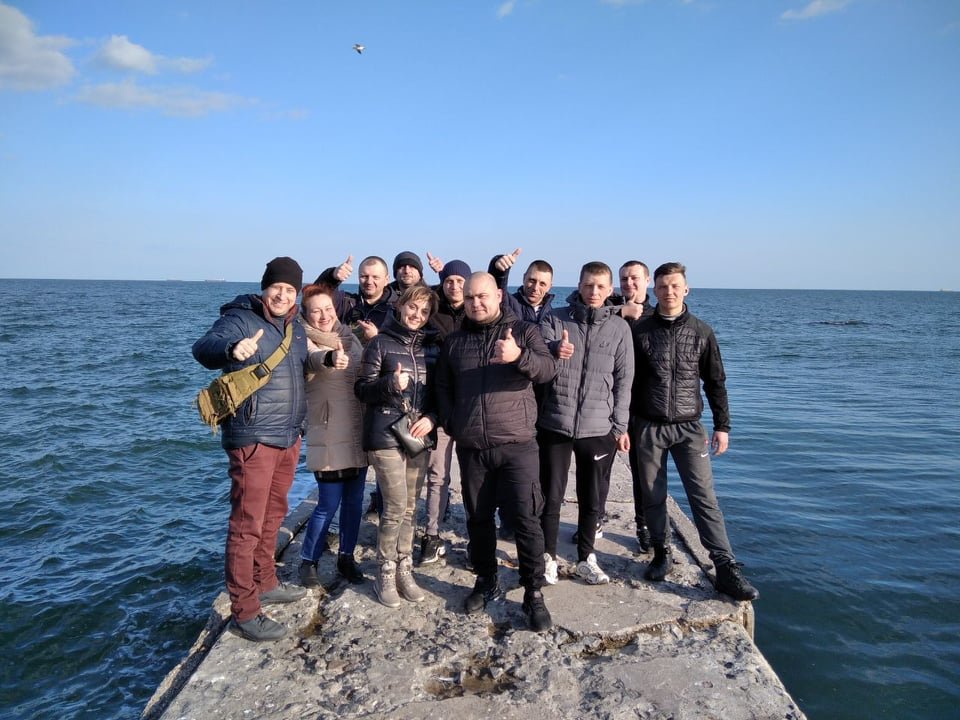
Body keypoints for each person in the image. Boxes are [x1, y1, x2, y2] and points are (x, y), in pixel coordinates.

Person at [192, 257, 327, 642]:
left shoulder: (294, 327)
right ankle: (245, 611)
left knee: (273, 514)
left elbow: (300, 365)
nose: (282, 295)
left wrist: (328, 358)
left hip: (287, 436)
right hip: (252, 437)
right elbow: (203, 348)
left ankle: (265, 581)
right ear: (265, 287)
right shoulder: (240, 317)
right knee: (246, 523)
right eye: (276, 287)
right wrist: (232, 349)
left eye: (290, 289)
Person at [630, 262, 759, 601]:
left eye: (675, 285)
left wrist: (722, 426)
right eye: (662, 286)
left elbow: (716, 382)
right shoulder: (640, 331)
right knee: (652, 495)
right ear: (654, 290)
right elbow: (626, 382)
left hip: (689, 428)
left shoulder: (702, 332)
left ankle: (725, 566)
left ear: (686, 289)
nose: (669, 291)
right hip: (648, 425)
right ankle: (661, 552)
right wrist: (624, 425)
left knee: (703, 496)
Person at [436, 272, 557, 632]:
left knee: (526, 519)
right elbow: (442, 386)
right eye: (470, 298)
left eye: (483, 296)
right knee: (478, 518)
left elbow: (547, 370)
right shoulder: (455, 342)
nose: (476, 303)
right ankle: (486, 579)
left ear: (499, 296)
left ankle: (533, 591)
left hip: (517, 445)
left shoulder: (524, 332)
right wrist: (452, 422)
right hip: (472, 447)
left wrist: (519, 356)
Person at [538, 262, 634, 586]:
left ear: (610, 290)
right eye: (588, 285)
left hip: (598, 428)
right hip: (555, 422)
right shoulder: (556, 319)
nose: (594, 292)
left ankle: (586, 557)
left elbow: (624, 380)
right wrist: (554, 349)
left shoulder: (619, 329)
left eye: (600, 286)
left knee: (591, 497)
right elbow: (536, 356)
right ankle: (548, 557)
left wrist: (619, 427)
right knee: (551, 495)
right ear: (578, 285)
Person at [354, 285, 439, 608]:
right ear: (401, 305)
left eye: (424, 311)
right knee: (394, 506)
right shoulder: (379, 343)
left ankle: (405, 567)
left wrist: (432, 418)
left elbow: (437, 396)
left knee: (410, 507)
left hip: (417, 436)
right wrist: (390, 384)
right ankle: (385, 572)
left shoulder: (431, 349)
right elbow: (361, 389)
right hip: (385, 435)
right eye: (413, 307)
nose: (417, 315)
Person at [297, 285, 367, 588]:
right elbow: (314, 359)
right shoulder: (302, 340)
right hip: (327, 434)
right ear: (306, 315)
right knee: (327, 504)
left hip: (358, 432)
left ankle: (346, 557)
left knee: (354, 503)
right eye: (316, 311)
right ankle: (307, 561)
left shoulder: (351, 337)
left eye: (328, 308)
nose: (324, 315)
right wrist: (329, 358)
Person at [419, 259, 472, 565]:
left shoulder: (476, 314)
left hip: (472, 408)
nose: (454, 286)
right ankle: (432, 534)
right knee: (437, 474)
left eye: (460, 281)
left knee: (474, 477)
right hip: (440, 407)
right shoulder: (432, 312)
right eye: (449, 280)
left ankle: (478, 534)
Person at [610, 260, 656, 552]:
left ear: (647, 281)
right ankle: (594, 521)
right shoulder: (610, 308)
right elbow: (579, 307)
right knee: (600, 469)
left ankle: (644, 526)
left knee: (644, 473)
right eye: (624, 278)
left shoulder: (655, 316)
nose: (629, 283)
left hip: (642, 407)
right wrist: (620, 311)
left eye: (635, 278)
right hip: (606, 402)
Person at [488, 248, 556, 323]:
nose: (535, 288)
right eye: (532, 281)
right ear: (524, 278)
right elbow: (495, 290)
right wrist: (499, 271)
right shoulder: (509, 303)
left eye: (542, 284)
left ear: (549, 287)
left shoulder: (554, 316)